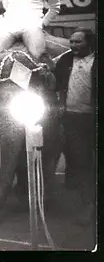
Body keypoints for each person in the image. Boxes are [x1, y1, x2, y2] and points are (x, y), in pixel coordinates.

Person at [54, 28, 96, 226]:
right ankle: (87, 205)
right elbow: (56, 83)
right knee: (81, 161)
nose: (73, 45)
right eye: (71, 42)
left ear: (89, 42)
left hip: (93, 118)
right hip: (72, 119)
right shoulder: (64, 60)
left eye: (78, 42)